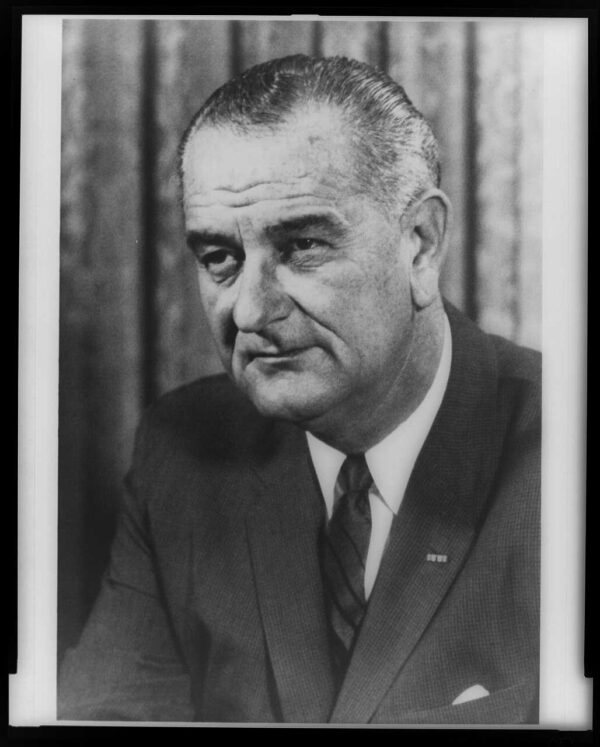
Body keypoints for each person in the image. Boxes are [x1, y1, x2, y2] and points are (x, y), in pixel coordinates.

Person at [58, 55, 541, 724]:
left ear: (422, 245)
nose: (251, 312)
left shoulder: (563, 451)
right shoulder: (181, 452)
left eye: (304, 244)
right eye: (219, 257)